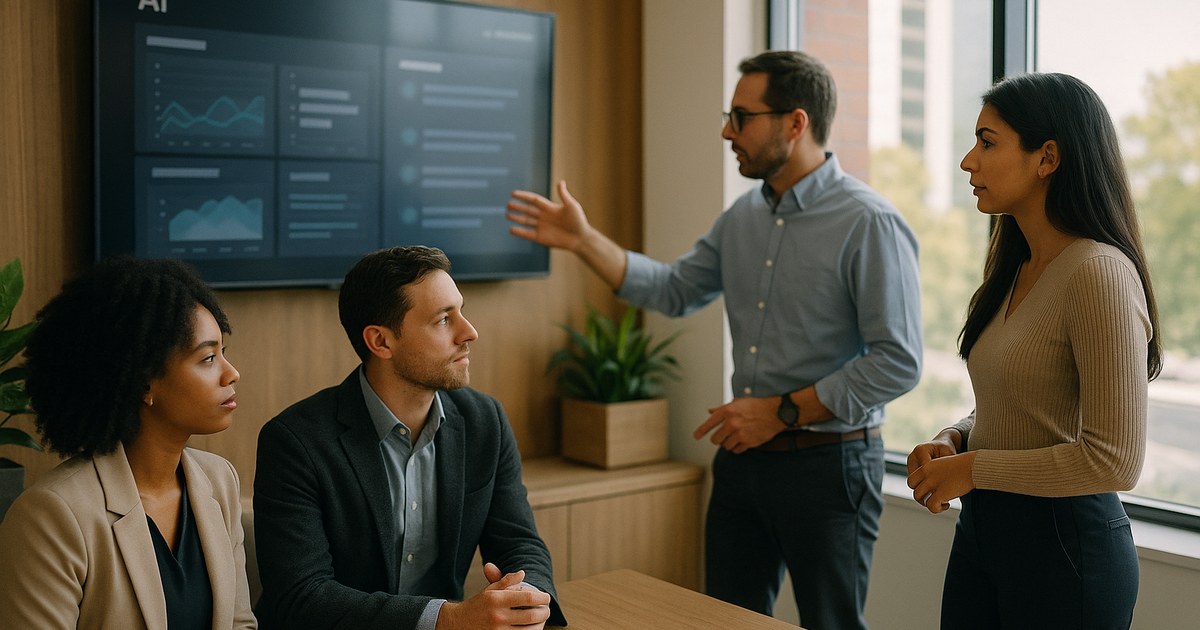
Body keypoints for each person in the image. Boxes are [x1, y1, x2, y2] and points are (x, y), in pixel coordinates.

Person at [507, 50, 922, 629]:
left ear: (795, 123)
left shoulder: (868, 222)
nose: (728, 132)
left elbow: (898, 361)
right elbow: (674, 290)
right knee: (722, 621)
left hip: (830, 467)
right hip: (743, 461)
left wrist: (780, 412)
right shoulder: (742, 217)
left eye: (741, 117)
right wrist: (583, 240)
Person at [905, 73, 1161, 629]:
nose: (968, 161)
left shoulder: (1098, 273)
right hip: (985, 536)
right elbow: (1022, 403)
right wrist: (956, 438)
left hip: (1066, 553)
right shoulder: (1017, 267)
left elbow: (1115, 460)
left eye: (987, 142)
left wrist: (975, 468)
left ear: (1047, 158)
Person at [253, 245, 565, 630]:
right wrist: (448, 619)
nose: (469, 332)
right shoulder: (294, 442)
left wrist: (526, 601)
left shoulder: (486, 421)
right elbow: (302, 597)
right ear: (381, 342)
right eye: (443, 320)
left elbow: (520, 544)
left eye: (461, 311)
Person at [0, 257, 256, 629]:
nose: (232, 374)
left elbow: (239, 622)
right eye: (208, 358)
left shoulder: (220, 480)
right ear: (143, 382)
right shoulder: (53, 515)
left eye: (223, 354)